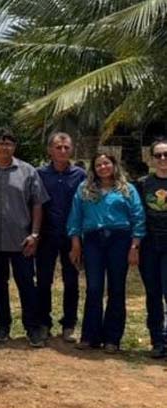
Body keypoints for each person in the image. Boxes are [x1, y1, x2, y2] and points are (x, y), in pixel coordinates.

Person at [0, 127, 49, 347]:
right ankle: (2, 325)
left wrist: (35, 234)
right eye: (0, 142)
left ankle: (32, 327)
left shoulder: (27, 171)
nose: (4, 147)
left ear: (14, 147)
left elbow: (37, 203)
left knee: (26, 284)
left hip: (21, 239)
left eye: (8, 143)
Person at [68, 153, 145, 353]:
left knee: (116, 288)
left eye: (106, 163)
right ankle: (89, 336)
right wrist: (76, 244)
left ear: (114, 165)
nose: (103, 167)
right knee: (93, 288)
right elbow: (75, 217)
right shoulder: (84, 189)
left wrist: (134, 247)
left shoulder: (127, 190)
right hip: (93, 240)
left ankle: (112, 339)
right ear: (93, 169)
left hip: (120, 240)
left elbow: (138, 217)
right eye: (98, 164)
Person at [36, 132, 87, 343]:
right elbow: (35, 204)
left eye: (66, 147)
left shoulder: (81, 176)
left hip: (71, 237)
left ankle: (69, 325)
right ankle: (43, 324)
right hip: (46, 235)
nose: (63, 151)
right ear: (50, 150)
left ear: (71, 149)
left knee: (71, 281)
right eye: (58, 147)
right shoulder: (39, 174)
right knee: (43, 280)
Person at [138, 139, 167, 358]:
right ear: (151, 158)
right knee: (153, 294)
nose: (163, 159)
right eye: (158, 155)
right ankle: (158, 341)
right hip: (149, 247)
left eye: (166, 155)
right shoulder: (143, 184)